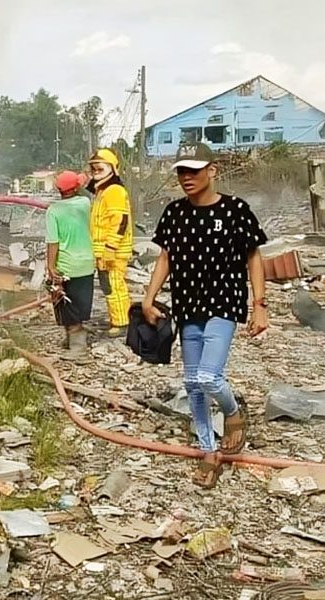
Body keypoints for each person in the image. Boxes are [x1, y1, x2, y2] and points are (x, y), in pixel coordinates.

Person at [142, 143, 269, 488]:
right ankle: (208, 451)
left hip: (224, 303)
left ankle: (232, 413)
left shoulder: (235, 210)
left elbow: (253, 257)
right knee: (192, 382)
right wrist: (148, 297)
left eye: (194, 171)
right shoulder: (174, 213)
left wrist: (260, 304)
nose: (187, 178)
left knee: (209, 377)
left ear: (211, 171)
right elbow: (165, 258)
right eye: (182, 171)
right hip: (187, 304)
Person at [46, 171, 95, 358]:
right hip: (86, 264)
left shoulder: (54, 210)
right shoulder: (85, 204)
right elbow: (86, 186)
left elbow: (53, 242)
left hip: (66, 265)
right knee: (79, 304)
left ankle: (78, 349)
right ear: (75, 188)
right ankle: (71, 340)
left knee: (66, 304)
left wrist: (51, 266)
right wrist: (81, 180)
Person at [87, 148, 134, 336]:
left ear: (112, 169)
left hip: (113, 251)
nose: (96, 173)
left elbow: (120, 221)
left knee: (115, 285)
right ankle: (118, 319)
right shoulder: (102, 192)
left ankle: (122, 323)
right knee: (109, 286)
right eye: (94, 170)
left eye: (100, 169)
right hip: (103, 251)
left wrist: (111, 247)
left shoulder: (114, 191)